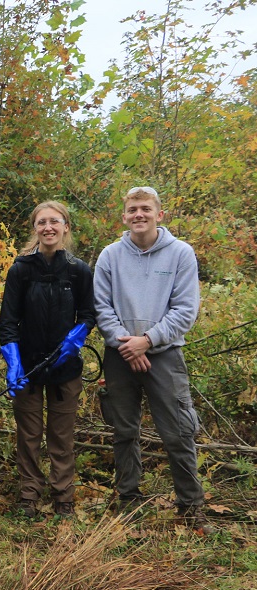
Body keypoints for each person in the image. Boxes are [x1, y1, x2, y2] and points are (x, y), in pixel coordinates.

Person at [94, 186, 211, 533]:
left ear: (160, 215)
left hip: (165, 356)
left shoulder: (180, 254)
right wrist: (127, 346)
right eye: (132, 210)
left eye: (145, 209)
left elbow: (185, 310)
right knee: (124, 431)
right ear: (125, 216)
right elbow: (101, 308)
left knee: (178, 432)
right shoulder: (110, 256)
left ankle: (191, 508)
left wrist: (147, 341)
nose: (138, 215)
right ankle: (129, 502)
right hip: (119, 356)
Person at [0, 201, 96, 518]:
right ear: (35, 228)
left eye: (55, 222)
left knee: (61, 434)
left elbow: (90, 313)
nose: (48, 228)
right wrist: (13, 363)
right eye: (42, 222)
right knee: (28, 435)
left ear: (66, 227)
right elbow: (8, 323)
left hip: (65, 369)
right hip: (27, 366)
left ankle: (63, 497)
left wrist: (76, 338)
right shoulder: (21, 270)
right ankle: (29, 495)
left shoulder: (78, 271)